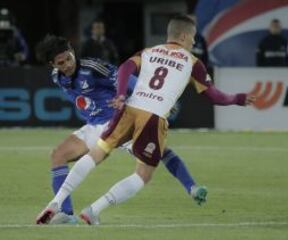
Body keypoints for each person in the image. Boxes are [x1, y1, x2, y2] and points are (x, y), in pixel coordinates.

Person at [36, 15, 256, 225]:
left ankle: (190, 186)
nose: (66, 64)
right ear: (52, 65)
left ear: (73, 51)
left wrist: (128, 95)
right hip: (101, 123)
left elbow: (125, 73)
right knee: (59, 155)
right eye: (60, 63)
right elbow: (213, 94)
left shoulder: (100, 66)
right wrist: (238, 98)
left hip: (117, 118)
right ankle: (65, 211)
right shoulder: (58, 77)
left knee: (160, 154)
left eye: (68, 58)